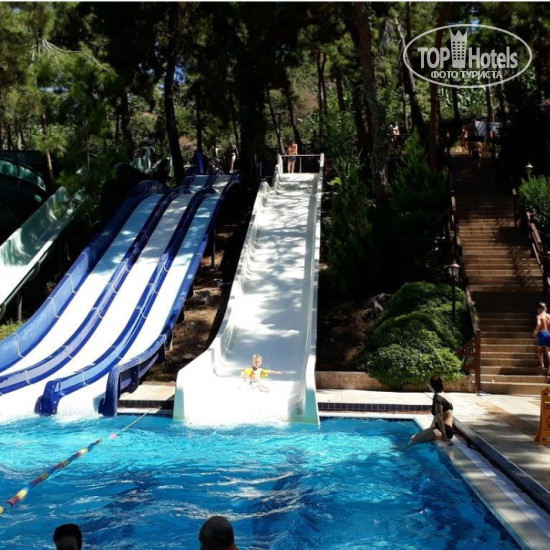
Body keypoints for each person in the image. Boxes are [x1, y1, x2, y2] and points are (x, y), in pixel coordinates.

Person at [406, 376, 454, 447]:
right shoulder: (444, 395)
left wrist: (444, 435)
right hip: (444, 428)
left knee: (413, 439)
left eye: (429, 383)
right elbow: (437, 417)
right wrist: (430, 429)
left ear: (432, 385)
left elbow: (440, 415)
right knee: (415, 436)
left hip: (444, 430)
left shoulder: (438, 398)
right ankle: (403, 448)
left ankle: (402, 450)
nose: (428, 385)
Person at [533, 302, 550, 371]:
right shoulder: (549, 316)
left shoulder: (539, 316)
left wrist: (535, 331)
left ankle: (542, 365)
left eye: (538, 309)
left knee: (540, 350)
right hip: (548, 334)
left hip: (542, 334)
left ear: (540, 309)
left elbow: (538, 324)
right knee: (548, 351)